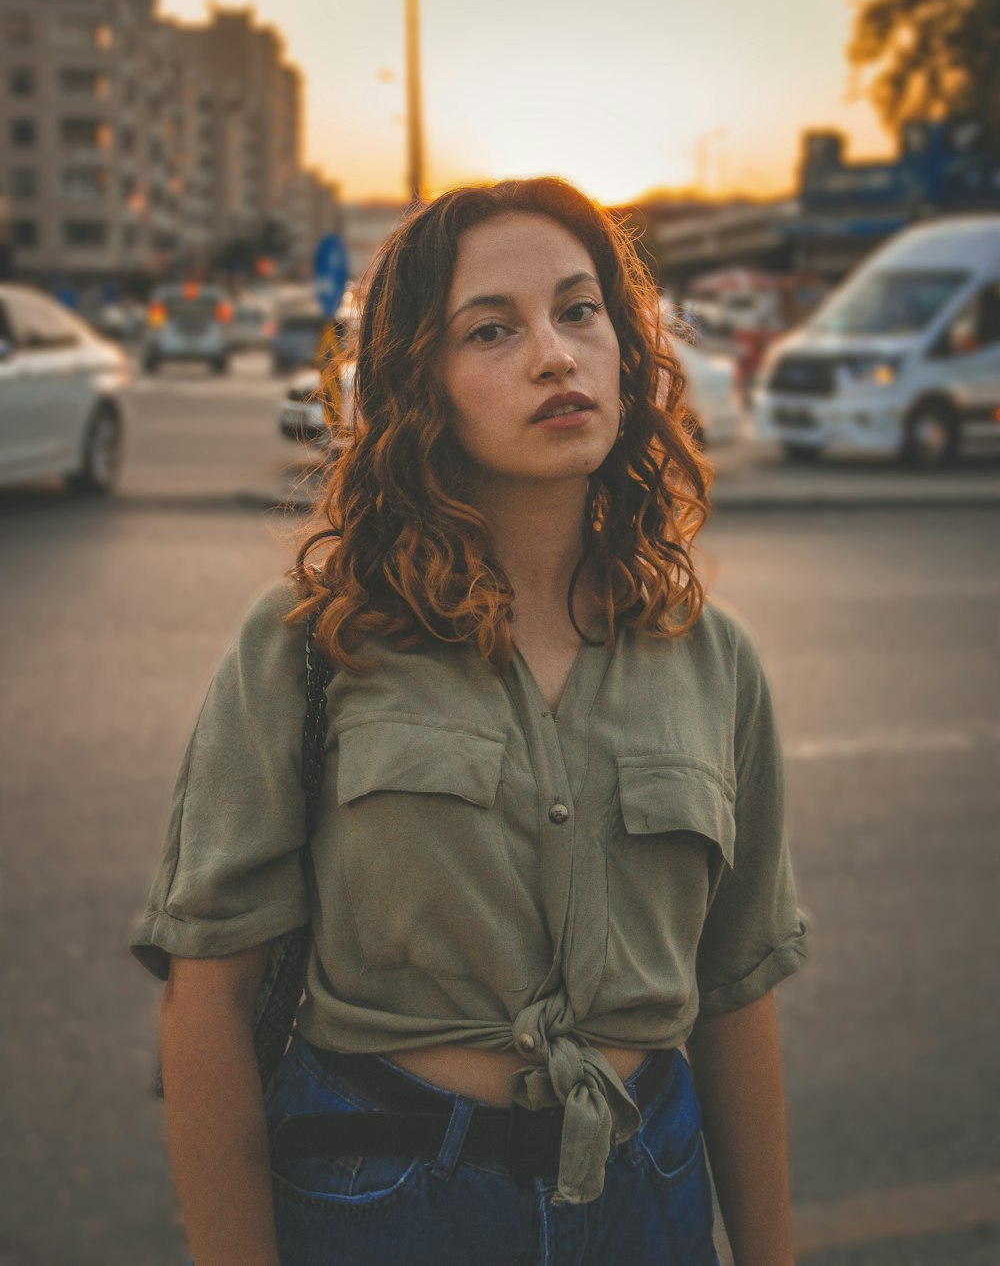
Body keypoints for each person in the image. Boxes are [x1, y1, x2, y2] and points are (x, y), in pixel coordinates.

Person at [129, 176, 808, 1266]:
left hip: (649, 1199)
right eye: (492, 329)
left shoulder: (711, 659)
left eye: (580, 310)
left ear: (627, 351)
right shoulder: (313, 642)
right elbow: (209, 999)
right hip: (386, 1206)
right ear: (420, 386)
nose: (555, 354)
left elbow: (733, 999)